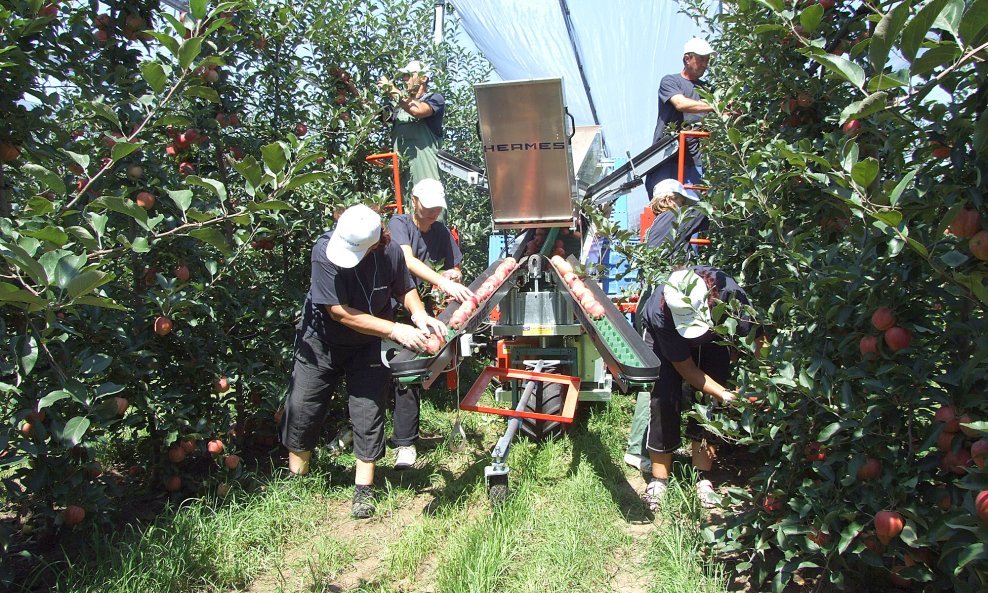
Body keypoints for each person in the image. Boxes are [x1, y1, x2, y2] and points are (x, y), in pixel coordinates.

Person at [278, 204, 446, 519]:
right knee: (303, 405)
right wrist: (396, 329)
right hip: (321, 341)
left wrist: (419, 313)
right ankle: (296, 480)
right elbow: (338, 312)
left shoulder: (390, 252)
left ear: (375, 245)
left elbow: (405, 287)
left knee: (369, 409)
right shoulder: (324, 252)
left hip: (366, 343)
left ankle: (363, 490)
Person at [639, 266, 757, 510]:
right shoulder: (661, 313)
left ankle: (703, 477)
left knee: (711, 402)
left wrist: (762, 380)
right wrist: (725, 393)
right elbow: (685, 368)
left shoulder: (730, 296)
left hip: (713, 337)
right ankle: (659, 480)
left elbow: (757, 338)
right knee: (663, 397)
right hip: (666, 342)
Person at [624, 179, 710, 473]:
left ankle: (642, 448)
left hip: (652, 302)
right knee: (657, 381)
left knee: (655, 377)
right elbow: (708, 211)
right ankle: (639, 450)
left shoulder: (656, 225)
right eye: (682, 200)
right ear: (673, 199)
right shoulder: (676, 217)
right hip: (661, 305)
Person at [387, 178, 473, 469]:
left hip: (431, 311)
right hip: (400, 310)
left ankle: (404, 436)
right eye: (428, 206)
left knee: (420, 366)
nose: (433, 212)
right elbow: (407, 260)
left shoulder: (441, 232)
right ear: (414, 201)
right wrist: (442, 282)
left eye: (438, 208)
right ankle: (405, 444)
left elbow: (455, 266)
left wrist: (453, 276)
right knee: (406, 371)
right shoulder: (399, 224)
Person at [643, 38, 716, 200]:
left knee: (696, 206)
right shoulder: (671, 81)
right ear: (687, 59)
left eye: (707, 60)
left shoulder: (709, 89)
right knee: (665, 203)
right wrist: (715, 105)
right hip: (667, 156)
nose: (705, 64)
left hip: (694, 158)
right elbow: (680, 103)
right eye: (701, 59)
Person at [380, 60, 446, 194]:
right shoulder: (398, 108)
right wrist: (351, 87)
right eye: (404, 76)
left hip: (428, 181)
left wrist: (391, 89)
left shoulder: (435, 99)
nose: (404, 79)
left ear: (423, 78)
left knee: (430, 212)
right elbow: (372, 115)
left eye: (408, 75)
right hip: (404, 181)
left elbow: (418, 111)